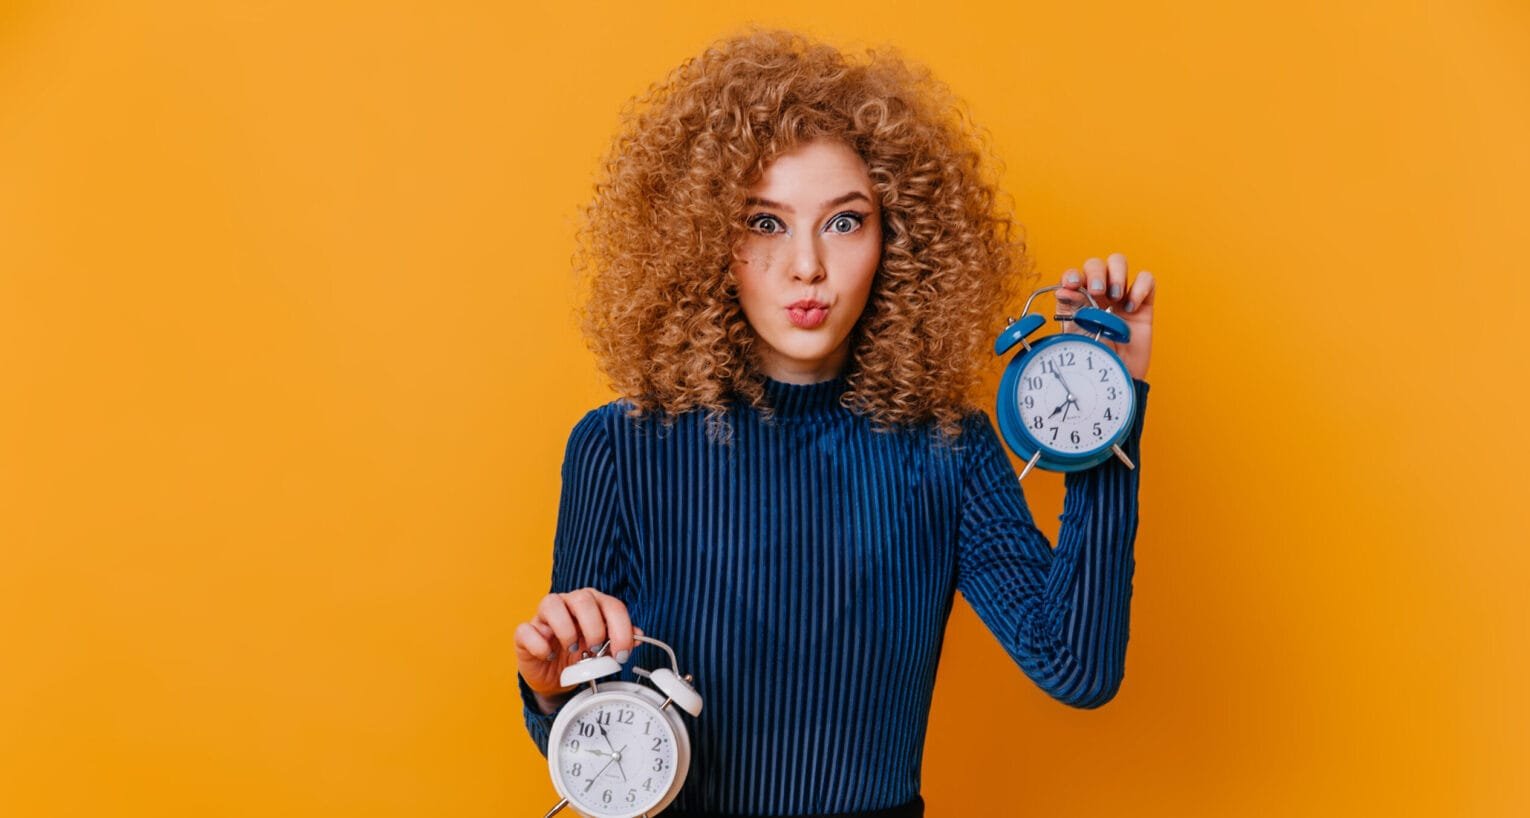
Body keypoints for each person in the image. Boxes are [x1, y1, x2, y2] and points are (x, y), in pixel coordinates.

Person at [513, 26, 1157, 818]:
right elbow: (588, 738)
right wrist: (550, 696)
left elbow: (1078, 666)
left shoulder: (948, 452)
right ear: (707, 238)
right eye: (765, 222)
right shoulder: (618, 447)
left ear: (899, 240)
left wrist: (1105, 414)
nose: (808, 265)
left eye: (844, 221)